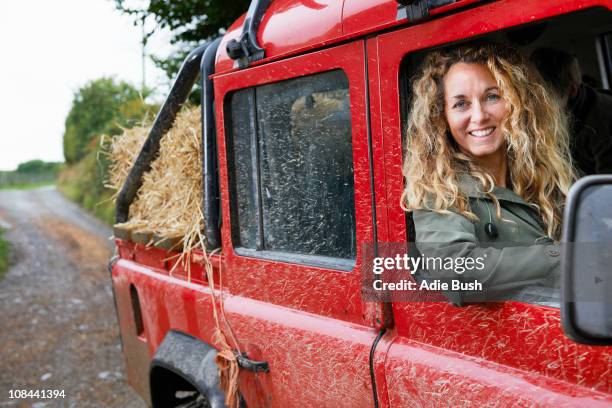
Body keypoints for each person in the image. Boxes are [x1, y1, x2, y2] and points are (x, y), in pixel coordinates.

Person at [401, 44, 575, 304]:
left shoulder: (546, 172)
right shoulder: (438, 188)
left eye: (492, 97)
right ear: (442, 116)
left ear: (516, 103)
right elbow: (455, 275)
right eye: (461, 104)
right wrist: (560, 256)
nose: (479, 116)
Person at [531, 47, 612, 175]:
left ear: (572, 91)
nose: (537, 108)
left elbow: (607, 183)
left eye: (547, 100)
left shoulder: (602, 122)